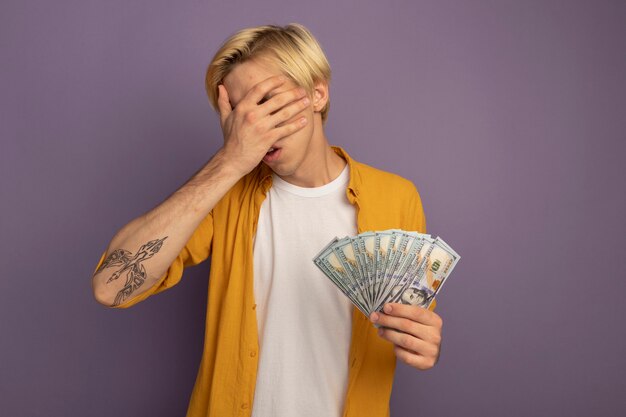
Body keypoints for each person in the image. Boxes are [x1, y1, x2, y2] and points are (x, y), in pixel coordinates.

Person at [91, 23, 443, 417]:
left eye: (266, 102)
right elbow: (110, 286)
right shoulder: (225, 194)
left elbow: (408, 324)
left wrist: (424, 343)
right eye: (240, 113)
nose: (254, 126)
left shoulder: (397, 198)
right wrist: (230, 161)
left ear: (317, 93)